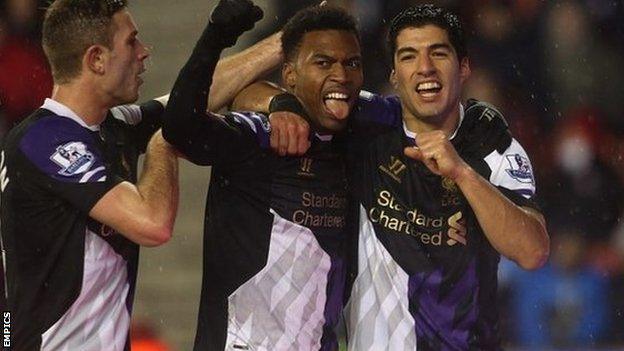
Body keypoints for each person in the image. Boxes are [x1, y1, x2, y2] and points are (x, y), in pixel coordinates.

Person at [232, 4, 550, 350]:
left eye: (438, 54)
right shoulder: (365, 124)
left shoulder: (490, 140)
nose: (425, 69)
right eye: (409, 56)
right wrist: (282, 103)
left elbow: (533, 251)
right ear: (394, 75)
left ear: (464, 67)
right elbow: (239, 94)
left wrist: (462, 172)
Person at [162, 4, 363, 350]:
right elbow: (181, 128)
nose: (341, 76)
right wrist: (214, 39)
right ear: (290, 75)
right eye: (323, 63)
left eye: (352, 63)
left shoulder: (364, 137)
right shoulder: (260, 138)